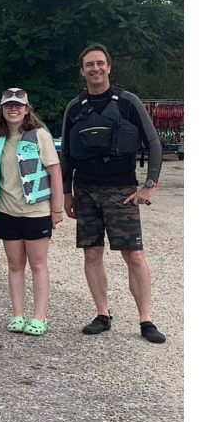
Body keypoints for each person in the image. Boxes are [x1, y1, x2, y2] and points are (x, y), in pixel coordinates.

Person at [60, 43, 166, 343]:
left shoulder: (128, 102)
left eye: (100, 63)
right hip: (85, 190)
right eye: (89, 65)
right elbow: (67, 153)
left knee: (133, 255)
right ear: (82, 71)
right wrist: (67, 194)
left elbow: (153, 143)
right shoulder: (74, 108)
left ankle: (146, 319)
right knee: (92, 253)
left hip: (122, 190)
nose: (96, 69)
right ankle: (102, 313)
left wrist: (150, 185)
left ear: (109, 67)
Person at [0, 88, 63, 336]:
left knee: (38, 264)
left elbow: (55, 172)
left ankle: (39, 317)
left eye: (18, 106)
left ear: (27, 109)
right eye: (8, 106)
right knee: (14, 264)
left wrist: (57, 209)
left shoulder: (39, 136)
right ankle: (17, 314)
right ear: (2, 110)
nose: (13, 109)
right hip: (7, 211)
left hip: (36, 210)